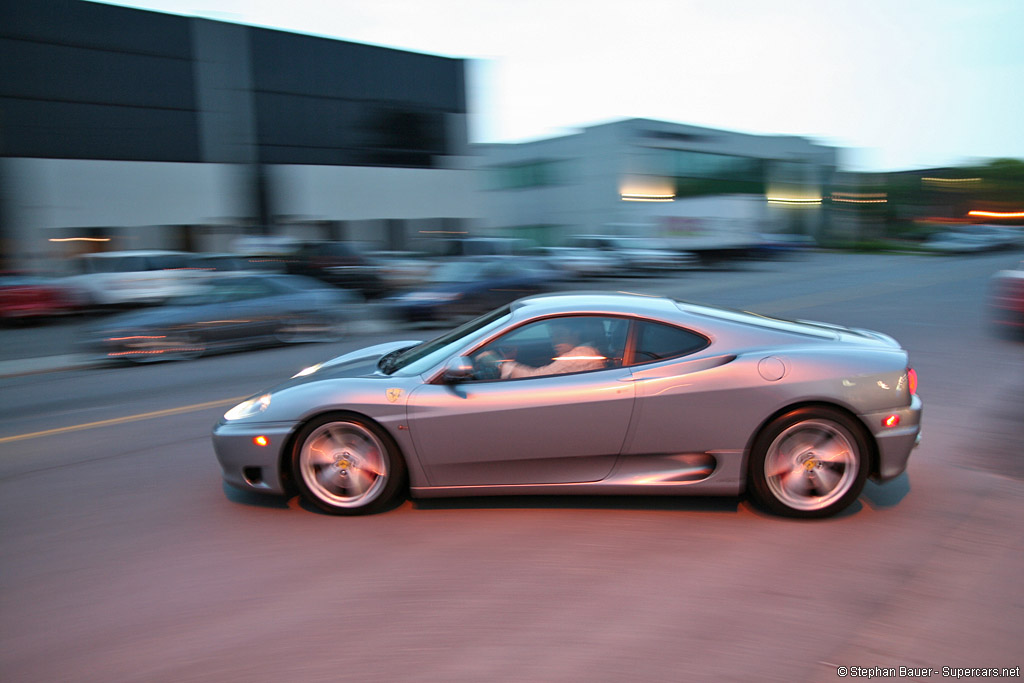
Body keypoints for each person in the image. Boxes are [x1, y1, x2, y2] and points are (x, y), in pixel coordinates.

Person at [499, 320, 606, 379]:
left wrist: (497, 364)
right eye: (552, 336)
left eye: (560, 335)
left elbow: (534, 379)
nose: (555, 340)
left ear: (577, 334)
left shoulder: (581, 355)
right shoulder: (585, 351)